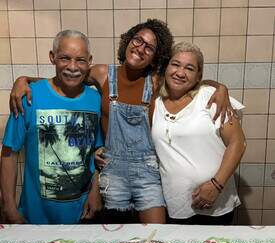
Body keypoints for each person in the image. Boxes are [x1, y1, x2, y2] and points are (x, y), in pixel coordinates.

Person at [9, 19, 233, 224]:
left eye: (149, 47)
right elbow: (68, 75)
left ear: (156, 56)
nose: (140, 48)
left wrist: (220, 87)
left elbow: (190, 79)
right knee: (116, 239)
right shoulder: (102, 74)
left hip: (148, 172)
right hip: (112, 171)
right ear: (128, 40)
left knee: (156, 238)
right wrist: (24, 80)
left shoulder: (156, 80)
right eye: (138, 40)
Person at [0, 30, 102, 224]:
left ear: (89, 61)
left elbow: (96, 153)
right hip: (35, 218)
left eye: (80, 60)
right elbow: (9, 154)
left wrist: (95, 191)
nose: (73, 67)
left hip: (83, 216)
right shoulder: (28, 97)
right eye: (65, 58)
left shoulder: (96, 99)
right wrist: (9, 208)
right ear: (52, 57)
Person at [152, 42, 246, 225]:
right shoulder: (154, 103)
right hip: (176, 205)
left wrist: (216, 186)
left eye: (189, 68)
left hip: (217, 203)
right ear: (166, 68)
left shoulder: (211, 97)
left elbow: (238, 143)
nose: (180, 72)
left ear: (198, 76)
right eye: (175, 64)